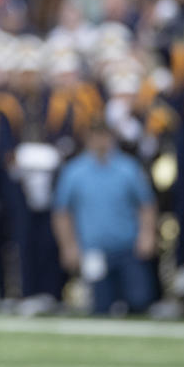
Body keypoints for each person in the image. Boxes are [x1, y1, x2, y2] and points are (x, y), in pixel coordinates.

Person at [52, 119, 158, 315]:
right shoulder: (74, 171)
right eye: (96, 136)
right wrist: (69, 246)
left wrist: (147, 235)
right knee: (101, 306)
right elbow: (62, 212)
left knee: (140, 300)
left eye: (104, 136)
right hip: (93, 250)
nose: (100, 141)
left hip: (127, 248)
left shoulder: (128, 168)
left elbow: (146, 204)